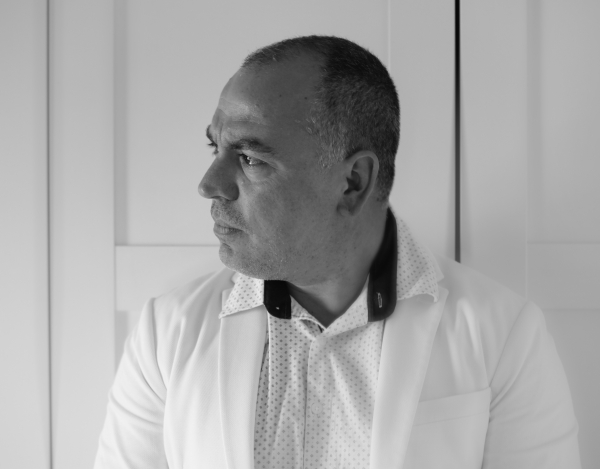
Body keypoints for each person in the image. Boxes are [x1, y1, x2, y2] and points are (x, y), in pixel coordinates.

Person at [94, 36, 581, 469]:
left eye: (249, 158)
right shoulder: (165, 334)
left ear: (353, 182)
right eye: (214, 149)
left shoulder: (504, 335)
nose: (209, 185)